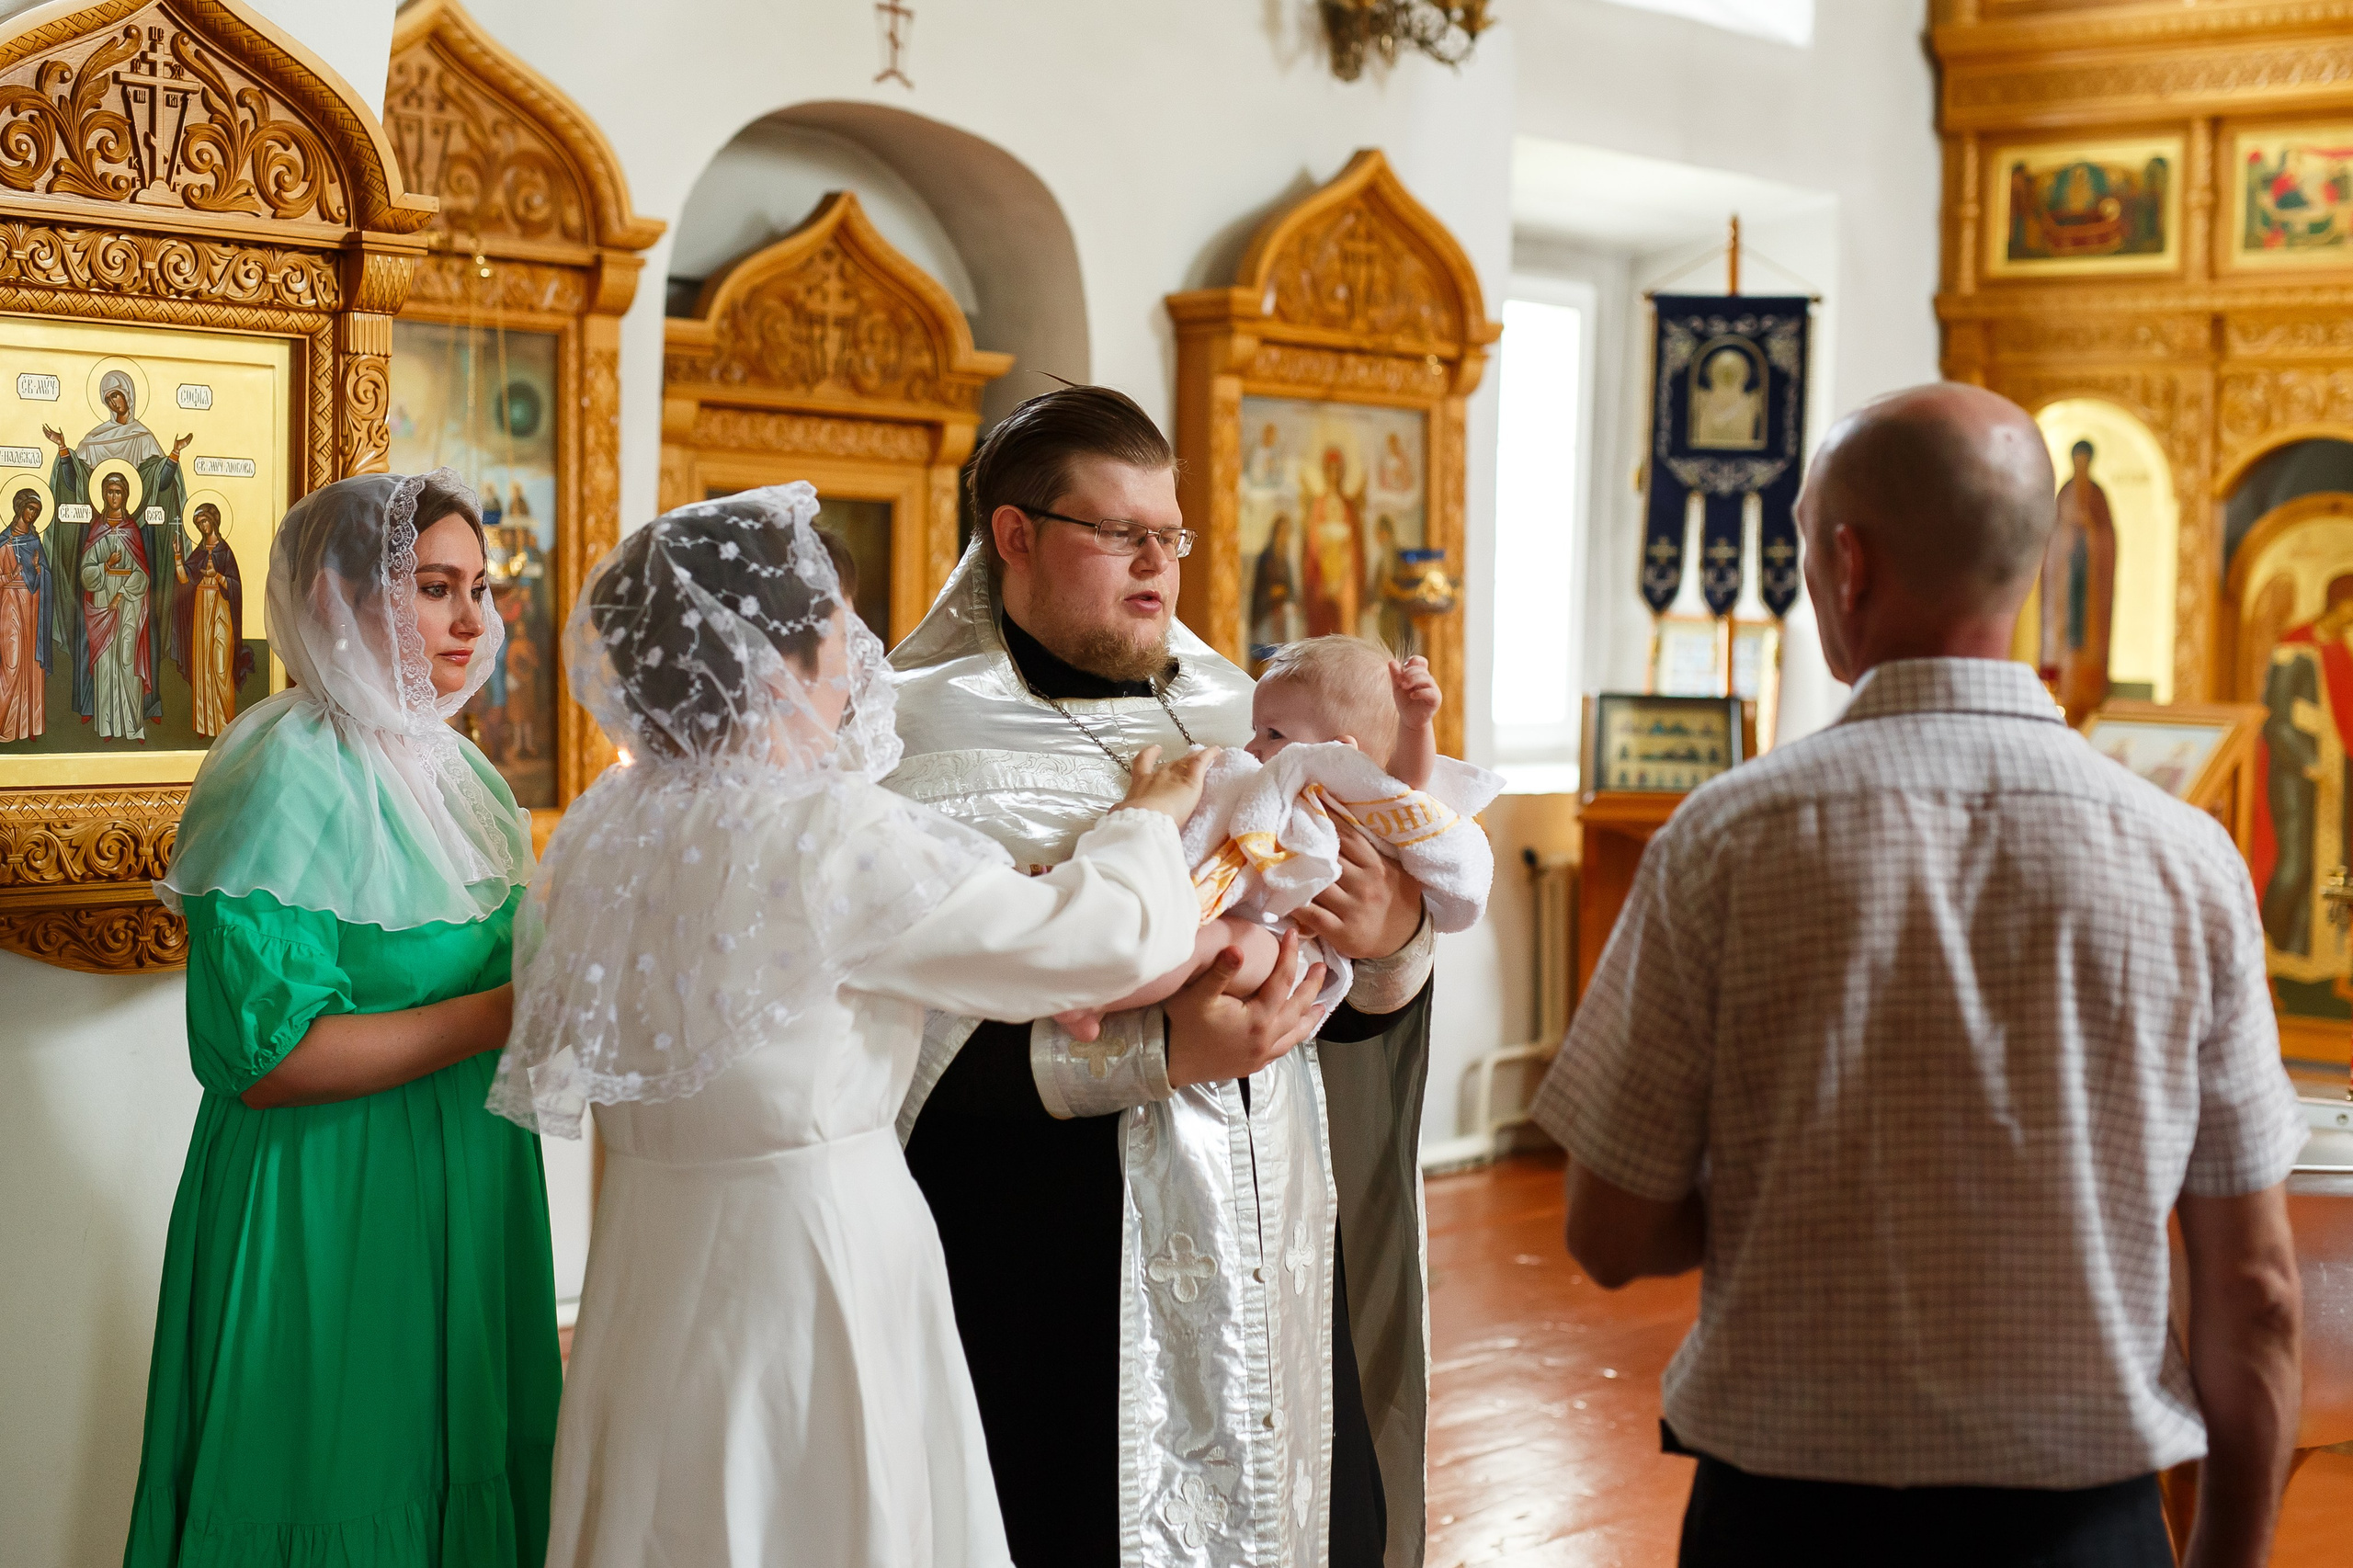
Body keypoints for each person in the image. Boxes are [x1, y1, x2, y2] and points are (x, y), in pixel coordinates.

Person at [1533, 383, 2306, 1568]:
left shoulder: (1721, 840)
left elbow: (1608, 1228)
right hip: (2080, 1524)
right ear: (2032, 562)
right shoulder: (2189, 860)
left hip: (1785, 1522)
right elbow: (2253, 1288)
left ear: (1847, 565)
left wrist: (1792, 1185)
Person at [490, 484, 1213, 1567]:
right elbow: (1100, 940)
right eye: (840, 632)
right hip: (812, 1244)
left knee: (671, 1503)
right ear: (774, 656)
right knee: (830, 1500)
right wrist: (1141, 826)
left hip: (648, 1243)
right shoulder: (825, 828)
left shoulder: (605, 827)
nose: (857, 658)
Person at [889, 386, 1439, 1568]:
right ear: (1015, 534)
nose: (1159, 566)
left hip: (1267, 1245)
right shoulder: (905, 742)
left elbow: (1356, 986)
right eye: (1120, 533)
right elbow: (902, 1045)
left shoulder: (1254, 715)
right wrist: (1159, 1053)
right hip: (1049, 1262)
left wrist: (1389, 932)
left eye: (1172, 535)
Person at [128, 471, 555, 1566]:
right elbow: (266, 1054)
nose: (473, 621)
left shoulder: (463, 774)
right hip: (331, 1193)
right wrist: (506, 1011)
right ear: (334, 598)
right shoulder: (280, 772)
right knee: (337, 1476)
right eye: (434, 587)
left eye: (482, 588)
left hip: (469, 1170)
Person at [1053, 638, 1494, 1042]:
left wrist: (1416, 724)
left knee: (1197, 947)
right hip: (1244, 909)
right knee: (1175, 932)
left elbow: (1406, 785)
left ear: (1340, 751)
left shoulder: (1352, 788)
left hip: (1288, 941)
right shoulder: (1261, 782)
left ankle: (1096, 1001)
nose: (1251, 747)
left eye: (1273, 734)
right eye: (1257, 730)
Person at [2040, 437, 2117, 723]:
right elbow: (2052, 537)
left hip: (2091, 587)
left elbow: (2108, 538)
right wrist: (2068, 536)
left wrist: (2090, 534)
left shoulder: (2096, 494)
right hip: (2064, 580)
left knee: (2088, 637)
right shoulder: (2066, 493)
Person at [171, 501, 250, 738]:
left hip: (221, 610)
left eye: (204, 520)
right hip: (201, 609)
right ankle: (205, 725)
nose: (202, 526)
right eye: (198, 523)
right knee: (202, 665)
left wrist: (218, 577)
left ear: (213, 521)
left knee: (220, 664)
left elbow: (235, 586)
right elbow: (185, 580)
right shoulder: (199, 552)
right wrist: (177, 557)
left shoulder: (225, 552)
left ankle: (225, 721)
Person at [0, 484, 51, 742]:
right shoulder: (3, 541)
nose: (33, 514)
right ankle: (5, 725)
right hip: (9, 604)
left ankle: (29, 725)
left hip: (32, 605)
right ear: (20, 507)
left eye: (37, 510)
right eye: (31, 507)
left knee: (31, 664)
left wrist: (39, 570)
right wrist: (11, 574)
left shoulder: (34, 541)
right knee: (11, 662)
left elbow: (44, 573)